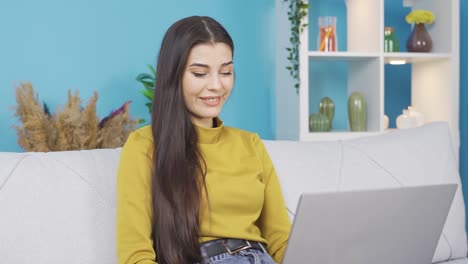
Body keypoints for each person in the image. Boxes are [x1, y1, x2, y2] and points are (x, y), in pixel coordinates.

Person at [116, 16, 291, 264]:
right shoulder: (144, 146)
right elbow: (135, 256)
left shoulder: (250, 144)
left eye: (226, 72)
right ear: (174, 76)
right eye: (200, 73)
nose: (216, 85)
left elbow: (282, 241)